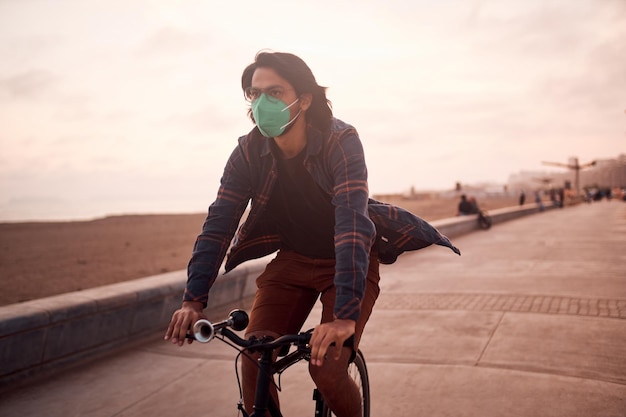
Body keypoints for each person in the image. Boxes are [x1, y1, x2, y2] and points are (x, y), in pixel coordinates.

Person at [163, 51, 460, 417]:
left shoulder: (340, 141)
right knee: (254, 357)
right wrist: (193, 301)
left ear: (303, 99)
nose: (262, 103)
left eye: (274, 92)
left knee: (326, 368)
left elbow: (353, 223)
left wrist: (344, 317)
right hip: (293, 260)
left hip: (347, 261)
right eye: (255, 95)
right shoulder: (247, 153)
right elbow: (219, 223)